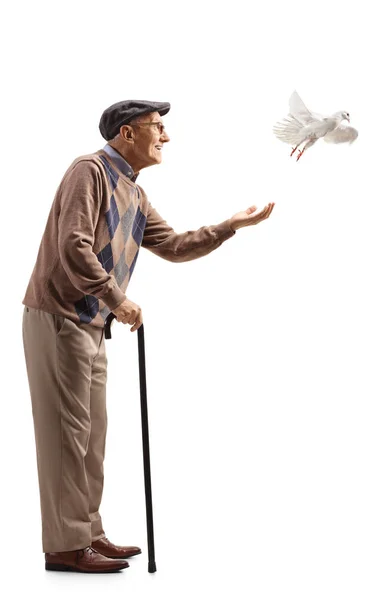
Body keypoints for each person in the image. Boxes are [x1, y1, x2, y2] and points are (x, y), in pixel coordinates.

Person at [22, 99, 275, 574]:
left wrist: (228, 227)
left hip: (92, 322)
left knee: (91, 436)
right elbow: (72, 244)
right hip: (58, 316)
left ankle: (87, 533)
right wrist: (117, 298)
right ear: (126, 133)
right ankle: (64, 546)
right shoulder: (89, 171)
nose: (166, 136)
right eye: (156, 127)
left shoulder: (133, 194)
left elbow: (175, 246)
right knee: (66, 437)